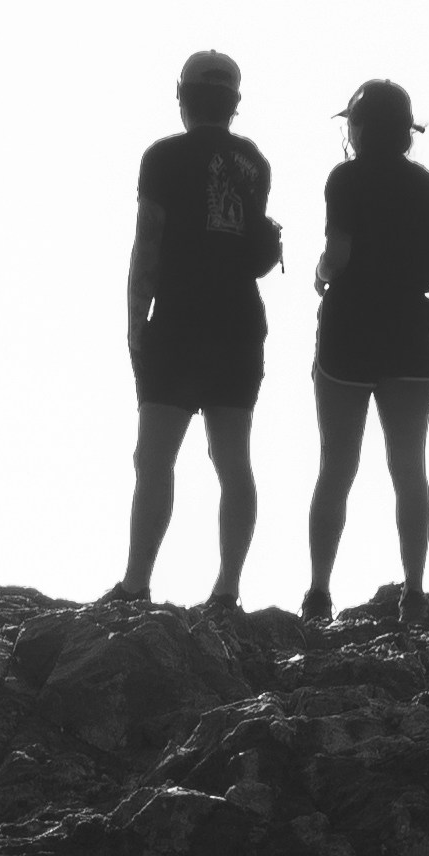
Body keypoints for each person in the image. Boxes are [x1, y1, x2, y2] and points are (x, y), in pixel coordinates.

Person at [121, 49, 281, 609]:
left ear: (184, 97)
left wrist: (136, 323)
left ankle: (136, 583)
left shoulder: (163, 157)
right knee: (232, 458)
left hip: (181, 320)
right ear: (233, 105)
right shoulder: (254, 161)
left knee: (154, 457)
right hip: (239, 321)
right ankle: (227, 587)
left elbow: (149, 240)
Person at [304, 79, 429, 625]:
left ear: (359, 126)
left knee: (336, 469)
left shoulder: (345, 179)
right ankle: (414, 593)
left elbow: (339, 254)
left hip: (348, 333)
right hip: (409, 339)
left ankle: (319, 594)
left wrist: (320, 275)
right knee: (409, 469)